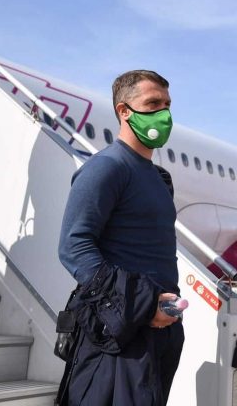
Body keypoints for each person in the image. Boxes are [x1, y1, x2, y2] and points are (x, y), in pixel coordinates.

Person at [56, 70, 184, 405]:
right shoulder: (107, 167)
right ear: (124, 111)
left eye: (167, 105)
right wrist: (142, 305)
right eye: (153, 104)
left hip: (160, 333)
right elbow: (73, 247)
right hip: (120, 338)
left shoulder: (159, 178)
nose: (164, 114)